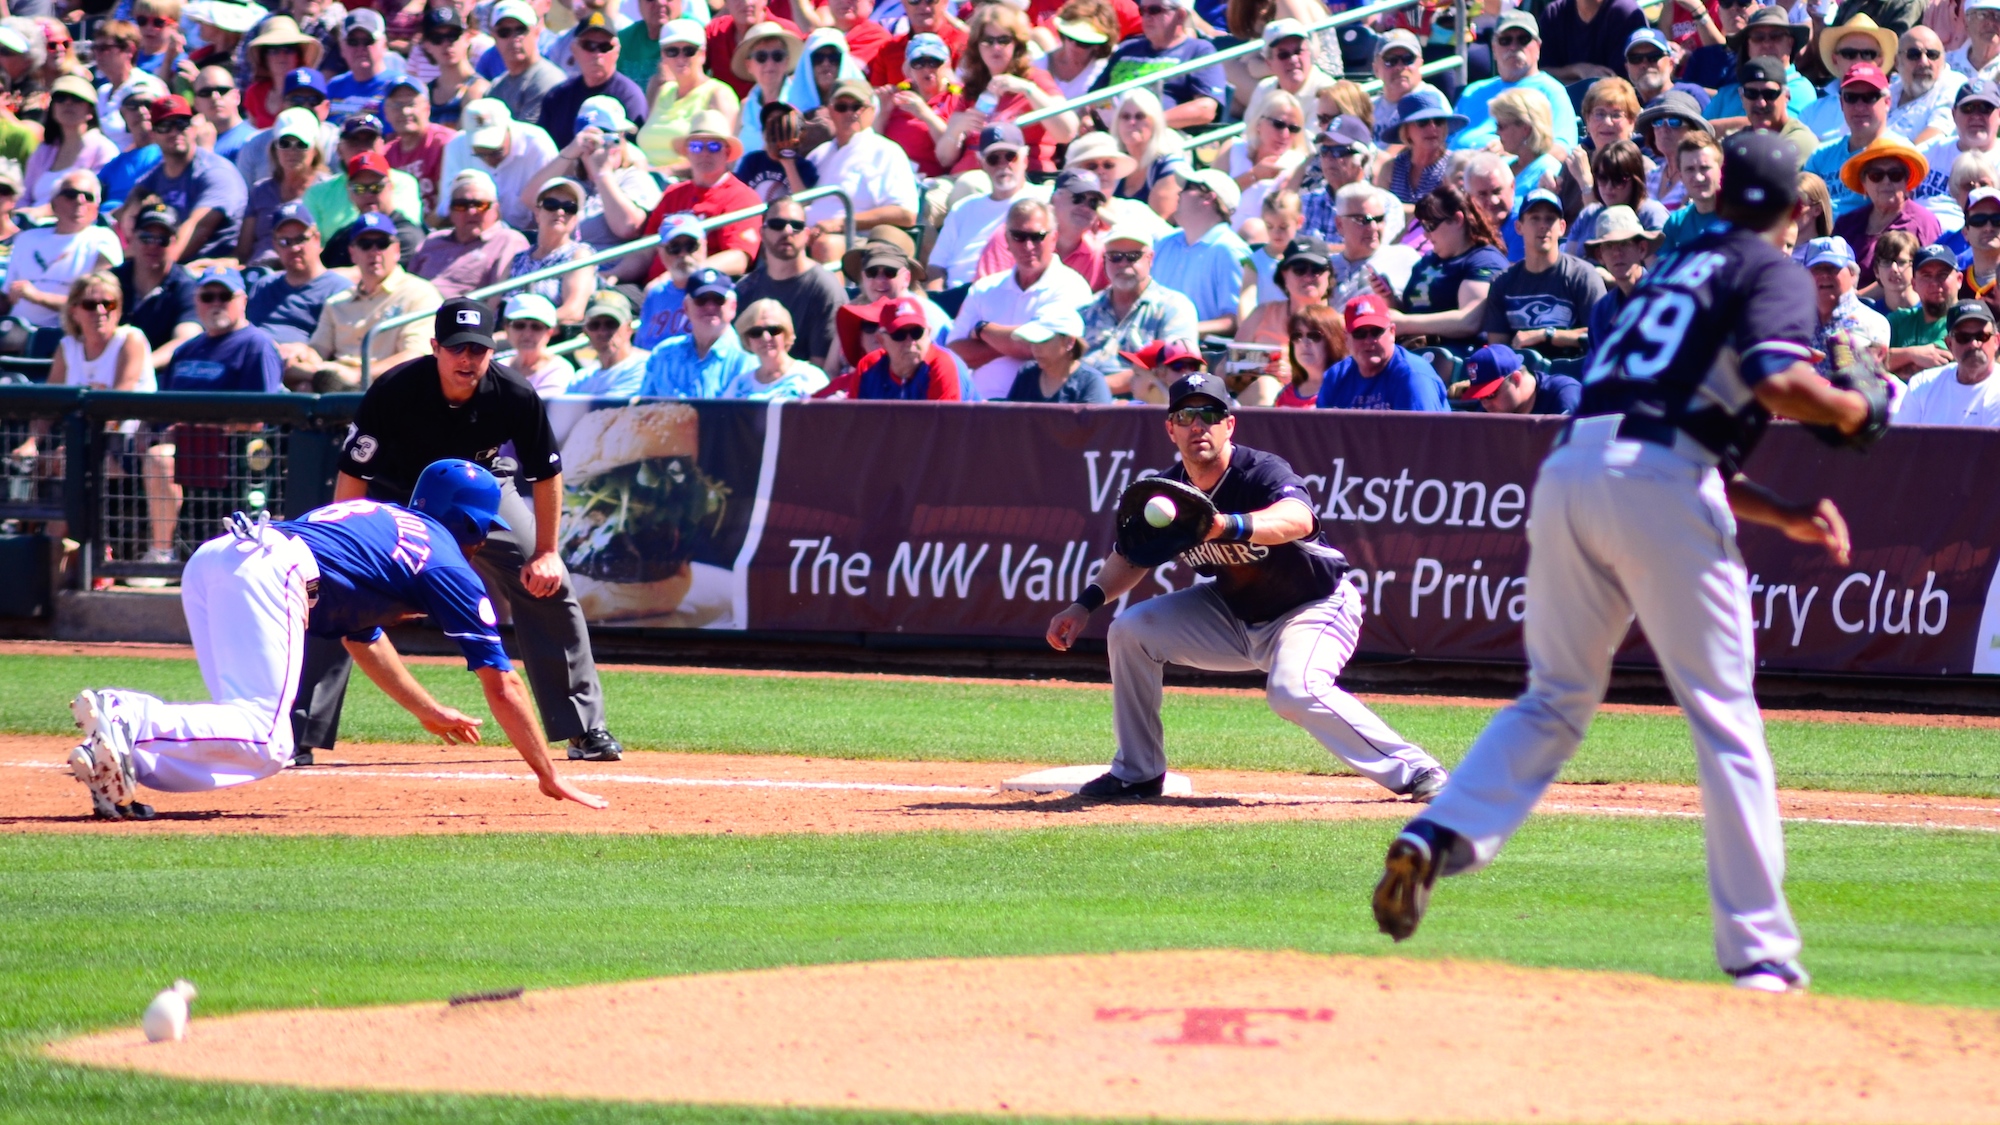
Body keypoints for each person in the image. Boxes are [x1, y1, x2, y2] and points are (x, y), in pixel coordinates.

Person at [1370, 134, 1881, 997]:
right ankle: (1759, 953)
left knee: (1555, 696)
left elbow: (1663, 424)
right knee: (1723, 715)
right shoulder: (1772, 268)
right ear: (1794, 210)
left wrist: (1785, 511)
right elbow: (1779, 383)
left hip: (1573, 472)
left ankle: (1439, 833)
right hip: (1661, 477)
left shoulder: (1676, 270)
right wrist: (1853, 408)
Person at [65, 458, 608, 819]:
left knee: (249, 730)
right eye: (483, 529)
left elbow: (361, 637)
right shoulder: (447, 561)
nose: (481, 542)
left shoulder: (379, 519)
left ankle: (122, 757)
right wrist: (548, 773)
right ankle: (130, 716)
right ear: (468, 523)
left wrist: (427, 710)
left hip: (215, 560)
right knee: (268, 736)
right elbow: (503, 684)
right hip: (271, 570)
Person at [1046, 371, 1447, 801]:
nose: (1198, 425)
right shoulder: (1168, 493)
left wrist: (1228, 526)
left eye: (1210, 414)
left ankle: (1417, 770)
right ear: (1171, 428)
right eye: (1186, 415)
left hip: (1312, 607)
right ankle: (1138, 772)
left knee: (1293, 691)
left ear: (1229, 424)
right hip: (1234, 613)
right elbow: (1130, 556)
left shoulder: (1258, 471)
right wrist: (1083, 605)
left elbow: (1299, 518)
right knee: (1130, 632)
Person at [299, 299, 626, 768]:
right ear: (435, 348)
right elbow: (354, 474)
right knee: (336, 586)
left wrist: (548, 552)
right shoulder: (394, 390)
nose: (467, 359)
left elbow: (546, 474)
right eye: (456, 348)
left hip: (480, 491)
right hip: (398, 495)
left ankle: (582, 726)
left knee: (549, 582)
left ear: (493, 351)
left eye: (478, 349)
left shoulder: (514, 393)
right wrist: (344, 547)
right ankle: (300, 730)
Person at [951, 196, 1096, 398]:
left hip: (1037, 412)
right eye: (1019, 236)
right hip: (980, 408)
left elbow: (1053, 349)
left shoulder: (1071, 286)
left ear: (1054, 238)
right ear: (1007, 241)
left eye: (1037, 236)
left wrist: (983, 331)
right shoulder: (984, 288)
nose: (1028, 246)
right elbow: (955, 353)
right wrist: (1017, 343)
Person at [289, 213, 443, 392]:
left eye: (382, 243)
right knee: (301, 384)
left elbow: (416, 356)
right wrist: (302, 357)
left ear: (397, 250)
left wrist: (357, 374)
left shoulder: (419, 293)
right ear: (352, 253)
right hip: (336, 386)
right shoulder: (336, 302)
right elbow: (317, 351)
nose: (374, 252)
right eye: (365, 244)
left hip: (391, 388)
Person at [934, 4, 1076, 177]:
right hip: (967, 174)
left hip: (1020, 175)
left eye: (1003, 40)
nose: (995, 47)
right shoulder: (972, 87)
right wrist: (955, 130)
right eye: (987, 40)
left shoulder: (1035, 80)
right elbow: (944, 159)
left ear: (1017, 44)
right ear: (977, 46)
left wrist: (1028, 90)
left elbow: (1067, 132)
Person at [1079, 221, 1199, 398]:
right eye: (1115, 256)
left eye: (1133, 256)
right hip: (1079, 406)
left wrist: (1091, 388)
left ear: (1150, 259)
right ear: (1104, 260)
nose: (1124, 264)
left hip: (1138, 410)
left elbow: (1174, 370)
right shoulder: (1086, 308)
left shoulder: (1174, 306)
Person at [804, 77, 919, 260]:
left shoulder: (886, 151)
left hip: (862, 241)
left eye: (857, 106)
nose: (851, 113)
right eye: (842, 107)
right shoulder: (818, 154)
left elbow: (905, 213)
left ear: (871, 111)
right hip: (809, 237)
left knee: (827, 245)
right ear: (831, 111)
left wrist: (841, 223)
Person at [3, 170, 122, 341]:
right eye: (71, 194)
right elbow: (6, 298)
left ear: (96, 207)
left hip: (67, 334)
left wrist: (38, 296)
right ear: (54, 204)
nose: (80, 201)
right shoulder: (27, 239)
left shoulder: (103, 240)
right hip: (14, 329)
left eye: (88, 197)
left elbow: (99, 302)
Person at [1483, 189, 1605, 355]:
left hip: (1570, 374)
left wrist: (1546, 335)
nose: (1543, 225)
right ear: (1519, 227)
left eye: (1550, 219)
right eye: (1534, 218)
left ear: (1562, 227)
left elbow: (1601, 336)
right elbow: (1498, 350)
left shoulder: (1583, 276)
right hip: (1520, 377)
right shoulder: (1502, 282)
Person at [129, 94, 248, 263]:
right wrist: (132, 211)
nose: (175, 132)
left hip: (211, 268)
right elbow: (131, 203)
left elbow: (198, 227)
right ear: (153, 134)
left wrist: (146, 268)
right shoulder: (155, 176)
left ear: (192, 129)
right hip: (169, 265)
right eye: (165, 126)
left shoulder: (215, 172)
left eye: (181, 124)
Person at [929, 124, 1051, 287]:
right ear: (982, 164)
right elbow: (936, 266)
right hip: (956, 296)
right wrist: (936, 298)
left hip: (1010, 293)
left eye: (1010, 156)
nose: (1003, 164)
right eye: (993, 159)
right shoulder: (963, 208)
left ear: (1025, 160)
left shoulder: (1045, 200)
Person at [1394, 183, 1511, 351]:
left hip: (1460, 358)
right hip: (1418, 351)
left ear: (1457, 220)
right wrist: (1391, 301)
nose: (1426, 234)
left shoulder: (1484, 260)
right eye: (1423, 226)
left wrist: (1404, 324)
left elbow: (1469, 321)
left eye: (1431, 226)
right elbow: (1414, 310)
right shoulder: (1428, 260)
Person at [733, 195, 845, 369]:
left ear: (807, 235)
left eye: (797, 226)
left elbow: (823, 369)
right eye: (777, 224)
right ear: (762, 233)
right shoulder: (746, 287)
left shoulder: (825, 288)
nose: (787, 231)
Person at [645, 109, 763, 275]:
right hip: (652, 289)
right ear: (686, 152)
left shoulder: (742, 197)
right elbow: (644, 251)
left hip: (702, 293)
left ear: (727, 152)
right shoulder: (673, 193)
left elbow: (739, 258)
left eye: (714, 146)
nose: (705, 153)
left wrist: (677, 276)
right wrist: (613, 275)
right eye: (696, 146)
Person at [1452, 12, 1580, 152]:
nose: (1513, 47)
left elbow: (1563, 148)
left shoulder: (1551, 91)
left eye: (1523, 39)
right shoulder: (1473, 91)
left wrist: (1513, 153)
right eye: (1505, 40)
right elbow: (1444, 141)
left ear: (1538, 47)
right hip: (1456, 167)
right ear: (1494, 49)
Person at [1151, 168, 1253, 336]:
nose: (1179, 194)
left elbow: (1237, 321)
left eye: (1187, 188)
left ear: (1208, 198)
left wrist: (1180, 330)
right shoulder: (1164, 243)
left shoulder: (1231, 251)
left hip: (1201, 355)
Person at [1091, 0, 1222, 131]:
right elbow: (1094, 98)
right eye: (1142, 11)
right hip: (1112, 133)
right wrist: (1091, 117)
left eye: (1154, 10)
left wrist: (1147, 123)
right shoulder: (1127, 48)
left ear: (1180, 15)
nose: (1146, 17)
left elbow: (1205, 109)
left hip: (1163, 135)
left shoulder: (1198, 50)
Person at [1805, 63, 1913, 218]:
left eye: (1870, 97)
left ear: (1887, 102)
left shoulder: (1902, 153)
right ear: (1842, 103)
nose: (1860, 106)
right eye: (1851, 98)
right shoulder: (1821, 156)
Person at [1234, 234, 1331, 406]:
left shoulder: (1337, 322)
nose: (1308, 276)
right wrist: (1261, 368)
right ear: (1284, 274)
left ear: (1328, 275)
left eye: (1316, 269)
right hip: (1259, 402)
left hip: (1314, 405)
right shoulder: (1262, 313)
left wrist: (1297, 374)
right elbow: (1223, 369)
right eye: (1300, 269)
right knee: (1267, 386)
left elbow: (1347, 375)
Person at [436, 98, 559, 231]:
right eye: (480, 154)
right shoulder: (456, 146)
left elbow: (553, 206)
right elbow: (447, 205)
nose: (488, 159)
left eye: (496, 152)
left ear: (508, 128)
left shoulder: (538, 144)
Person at [246, 203, 353, 353]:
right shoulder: (263, 286)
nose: (294, 248)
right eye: (284, 242)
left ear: (316, 239)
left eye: (301, 239)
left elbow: (338, 349)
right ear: (275, 246)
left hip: (300, 366)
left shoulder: (339, 290)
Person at [1833, 136, 1940, 283]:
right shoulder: (1847, 223)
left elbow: (1929, 275)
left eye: (1895, 175)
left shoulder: (1923, 222)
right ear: (1864, 182)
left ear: (1906, 181)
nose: (1886, 181)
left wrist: (1859, 297)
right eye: (1876, 175)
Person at [160, 268, 285, 393]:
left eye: (225, 296)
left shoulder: (256, 346)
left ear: (243, 301)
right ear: (196, 301)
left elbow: (264, 408)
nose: (216, 303)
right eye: (207, 297)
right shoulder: (184, 351)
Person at [1317, 293, 1450, 411]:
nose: (1369, 340)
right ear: (1346, 338)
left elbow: (1423, 436)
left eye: (1376, 332)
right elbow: (1322, 434)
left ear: (1392, 332)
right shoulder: (1336, 377)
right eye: (1359, 333)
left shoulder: (1413, 376)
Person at [635, 19, 740, 167]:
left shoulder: (718, 93)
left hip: (683, 183)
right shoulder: (662, 90)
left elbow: (724, 156)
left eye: (689, 51)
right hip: (643, 177)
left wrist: (667, 171)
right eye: (672, 51)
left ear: (703, 54)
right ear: (663, 56)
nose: (680, 58)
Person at [538, 10, 648, 151]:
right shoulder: (557, 97)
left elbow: (633, 152)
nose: (597, 54)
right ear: (574, 49)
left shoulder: (629, 96)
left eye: (605, 47)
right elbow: (545, 150)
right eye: (589, 46)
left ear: (617, 51)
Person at [641, 266, 758, 396]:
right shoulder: (662, 354)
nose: (710, 306)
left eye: (719, 300)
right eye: (701, 300)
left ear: (733, 307)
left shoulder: (748, 360)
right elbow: (643, 409)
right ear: (686, 307)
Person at [815, 295, 962, 398]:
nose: (910, 341)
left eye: (917, 332)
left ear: (928, 333)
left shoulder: (943, 364)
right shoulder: (868, 367)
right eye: (898, 334)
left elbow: (942, 434)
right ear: (882, 340)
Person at [407, 169, 526, 297]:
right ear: (450, 211)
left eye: (480, 205)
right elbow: (407, 286)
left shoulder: (507, 241)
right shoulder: (432, 241)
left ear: (496, 209)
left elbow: (498, 298)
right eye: (461, 205)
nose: (471, 211)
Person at [236, 108, 328, 267]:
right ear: (274, 149)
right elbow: (243, 252)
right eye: (284, 143)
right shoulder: (260, 191)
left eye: (301, 144)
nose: (292, 151)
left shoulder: (327, 190)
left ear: (315, 150)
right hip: (259, 270)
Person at [114, 201, 201, 369]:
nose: (153, 245)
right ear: (132, 237)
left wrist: (139, 368)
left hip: (161, 382)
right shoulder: (112, 281)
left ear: (174, 242)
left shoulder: (186, 287)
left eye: (162, 240)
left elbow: (185, 340)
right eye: (146, 238)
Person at [1218, 90, 1307, 242]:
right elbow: (1212, 198)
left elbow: (1286, 218)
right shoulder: (1233, 148)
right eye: (1278, 124)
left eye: (1293, 129)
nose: (1285, 134)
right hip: (1220, 238)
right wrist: (1254, 175)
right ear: (1259, 123)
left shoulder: (1298, 164)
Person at [1799, 13, 1901, 142]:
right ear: (1835, 59)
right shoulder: (1811, 111)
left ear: (1880, 61)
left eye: (1868, 54)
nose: (1858, 60)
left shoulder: (1899, 103)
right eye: (1849, 54)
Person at [1896, 297, 2000, 420]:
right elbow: (1904, 438)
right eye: (1963, 337)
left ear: (1996, 341)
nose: (1973, 344)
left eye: (1982, 336)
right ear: (1949, 344)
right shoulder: (1922, 385)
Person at [26, 75, 117, 212]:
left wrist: (40, 213)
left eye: (76, 99)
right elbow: (24, 196)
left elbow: (93, 199)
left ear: (91, 110)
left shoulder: (103, 149)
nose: (68, 103)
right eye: (60, 98)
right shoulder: (44, 150)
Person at [508, 178, 591, 325]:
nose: (560, 212)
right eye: (551, 205)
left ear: (576, 218)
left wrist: (527, 328)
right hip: (506, 333)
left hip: (546, 337)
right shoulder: (516, 259)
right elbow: (493, 305)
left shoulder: (579, 255)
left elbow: (574, 311)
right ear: (537, 212)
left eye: (569, 207)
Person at [1565, 140, 1669, 254]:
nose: (1609, 187)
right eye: (1603, 178)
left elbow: (1662, 266)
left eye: (1619, 180)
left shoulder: (1652, 214)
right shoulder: (1588, 214)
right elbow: (1570, 261)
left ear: (1635, 180)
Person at [1717, 58, 1819, 174]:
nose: (1761, 103)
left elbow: (1767, 180)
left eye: (1770, 94)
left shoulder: (1800, 139)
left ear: (1787, 96)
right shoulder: (1734, 142)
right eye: (1751, 94)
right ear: (1742, 97)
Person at [1807, 235, 1894, 369]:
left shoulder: (1872, 323)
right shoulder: (1794, 322)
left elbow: (1874, 378)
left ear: (1853, 274)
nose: (1824, 275)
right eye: (1817, 268)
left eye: (1832, 268)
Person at [1328, 182, 1420, 308]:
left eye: (1379, 219)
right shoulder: (1323, 268)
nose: (1373, 227)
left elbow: (1418, 312)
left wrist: (1389, 299)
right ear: (1339, 224)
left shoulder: (1405, 258)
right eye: (1362, 220)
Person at [720, 296, 830, 398]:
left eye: (773, 330)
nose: (765, 337)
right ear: (747, 339)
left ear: (786, 333)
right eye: (755, 332)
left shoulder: (810, 377)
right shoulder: (739, 385)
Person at [1583, 203, 1657, 349]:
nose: (1617, 253)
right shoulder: (1601, 311)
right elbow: (1597, 366)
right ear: (1600, 256)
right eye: (1609, 246)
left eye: (1624, 244)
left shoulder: (1668, 298)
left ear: (1641, 249)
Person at [1107, 89, 1189, 220]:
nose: (1132, 122)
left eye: (1140, 116)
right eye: (1125, 117)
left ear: (1155, 122)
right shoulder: (1110, 164)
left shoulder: (1169, 167)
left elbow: (1160, 226)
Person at [1373, 90, 1458, 213]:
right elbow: (1380, 210)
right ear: (1406, 130)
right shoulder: (1390, 168)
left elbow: (1447, 212)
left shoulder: (1453, 166)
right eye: (1422, 122)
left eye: (1438, 121)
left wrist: (1397, 210)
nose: (1432, 127)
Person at [382, 77, 456, 220]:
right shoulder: (386, 154)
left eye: (411, 104)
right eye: (397, 105)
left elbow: (451, 201)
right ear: (386, 113)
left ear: (427, 109)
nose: (405, 111)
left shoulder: (445, 143)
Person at [1002, 305, 1110, 402]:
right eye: (1032, 340)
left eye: (1043, 340)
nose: (1035, 347)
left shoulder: (1091, 382)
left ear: (1069, 342)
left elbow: (1098, 424)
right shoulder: (1026, 374)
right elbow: (1011, 421)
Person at [487, 0, 568, 126]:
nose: (514, 38)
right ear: (494, 36)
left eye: (521, 30)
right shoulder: (496, 87)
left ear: (536, 32)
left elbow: (527, 137)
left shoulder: (548, 80)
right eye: (504, 32)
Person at [1487, 88, 1564, 214]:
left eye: (1501, 126)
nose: (1497, 132)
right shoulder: (1504, 164)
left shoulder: (1549, 170)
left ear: (1525, 129)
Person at [1887, 242, 1962, 372]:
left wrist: (1892, 362)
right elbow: (1867, 359)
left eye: (1942, 275)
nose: (1934, 283)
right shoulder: (1899, 320)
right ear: (1914, 284)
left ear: (1959, 280)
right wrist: (1912, 354)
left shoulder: (1968, 320)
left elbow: (1937, 364)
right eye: (1926, 276)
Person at [413, 6, 490, 128]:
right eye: (437, 38)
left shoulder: (479, 89)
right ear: (426, 45)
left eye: (453, 35)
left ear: (467, 38)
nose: (446, 44)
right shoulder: (424, 93)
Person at [242, 16, 325, 129]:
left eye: (289, 49)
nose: (282, 56)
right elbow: (251, 133)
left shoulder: (310, 90)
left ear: (298, 55)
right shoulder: (255, 93)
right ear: (264, 57)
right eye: (273, 50)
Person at [1889, 25, 1964, 146]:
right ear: (1897, 62)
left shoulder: (1953, 85)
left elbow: (1935, 135)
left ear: (1943, 59)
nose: (1924, 62)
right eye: (1914, 54)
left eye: (1932, 54)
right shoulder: (1891, 90)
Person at [1539, 0, 1650, 80]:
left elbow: (1623, 80)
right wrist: (1577, 70)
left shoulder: (1625, 12)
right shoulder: (1554, 13)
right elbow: (1540, 72)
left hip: (1615, 104)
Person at [566, 291, 648, 395]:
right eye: (594, 325)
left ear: (628, 328)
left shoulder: (645, 366)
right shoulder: (580, 379)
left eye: (611, 324)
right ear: (586, 331)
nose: (602, 332)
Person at [1463, 341, 1579, 414]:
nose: (1485, 404)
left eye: (1491, 394)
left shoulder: (1563, 395)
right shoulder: (1490, 410)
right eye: (1480, 397)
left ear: (1516, 379)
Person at [325, 9, 397, 126]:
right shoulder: (334, 86)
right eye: (353, 41)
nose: (360, 47)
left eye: (368, 41)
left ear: (384, 44)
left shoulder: (397, 87)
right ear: (342, 47)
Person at [1660, 133, 1731, 250]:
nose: (1698, 177)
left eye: (1704, 168)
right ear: (1681, 176)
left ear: (1721, 170)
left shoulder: (1741, 216)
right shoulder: (1676, 223)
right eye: (1690, 169)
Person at [1035, 0, 1116, 100]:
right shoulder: (1037, 64)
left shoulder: (1106, 68)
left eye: (1082, 42)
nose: (1072, 45)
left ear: (1097, 46)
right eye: (1069, 37)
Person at [1278, 302, 1343, 408]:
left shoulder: (1347, 389)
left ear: (1333, 341)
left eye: (1314, 336)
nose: (1304, 343)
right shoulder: (1284, 396)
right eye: (1297, 335)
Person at [192, 65, 256, 164]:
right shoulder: (189, 141)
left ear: (237, 97)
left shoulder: (252, 139)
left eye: (222, 90)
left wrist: (205, 150)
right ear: (196, 103)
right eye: (205, 92)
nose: (215, 97)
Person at [1950, 0, 2000, 83]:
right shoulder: (1947, 64)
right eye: (1982, 15)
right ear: (1966, 23)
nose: (1991, 22)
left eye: (1998, 16)